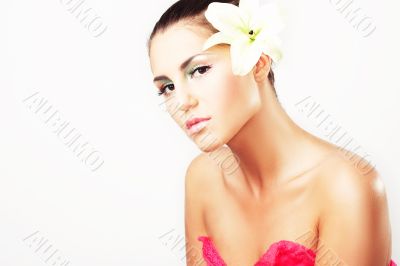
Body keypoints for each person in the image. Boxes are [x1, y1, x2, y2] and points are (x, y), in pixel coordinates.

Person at [147, 0, 396, 265]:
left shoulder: (346, 186)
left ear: (258, 64)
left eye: (199, 70)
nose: (181, 102)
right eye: (167, 88)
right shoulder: (201, 180)